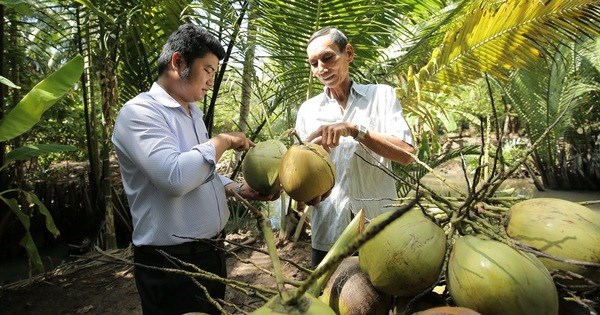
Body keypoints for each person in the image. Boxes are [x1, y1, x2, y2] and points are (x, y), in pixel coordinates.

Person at [112, 23, 278, 314]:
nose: (211, 81)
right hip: (171, 265)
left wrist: (235, 188)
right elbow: (174, 177)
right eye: (208, 70)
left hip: (211, 254)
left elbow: (200, 172)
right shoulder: (139, 113)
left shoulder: (193, 114)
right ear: (179, 62)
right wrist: (223, 140)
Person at [295, 27, 416, 268]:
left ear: (348, 53)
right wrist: (309, 184)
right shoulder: (307, 111)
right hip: (329, 231)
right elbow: (300, 185)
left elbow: (406, 154)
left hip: (379, 229)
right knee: (327, 301)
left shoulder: (381, 96)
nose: (321, 68)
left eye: (328, 57)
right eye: (314, 63)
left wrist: (355, 130)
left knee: (381, 301)